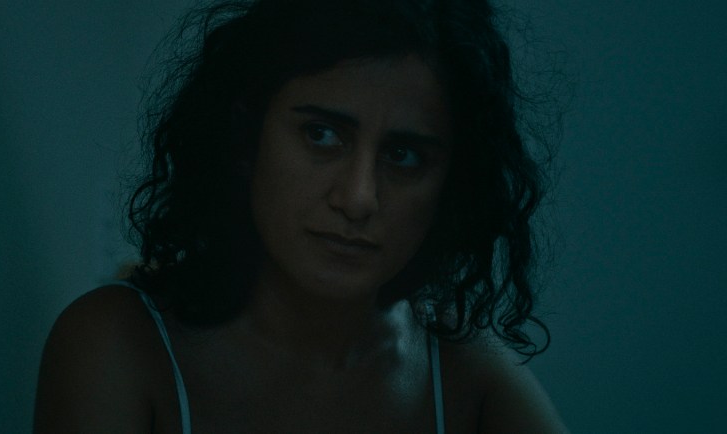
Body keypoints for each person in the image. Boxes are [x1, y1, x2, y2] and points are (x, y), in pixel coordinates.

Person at [35, 0, 568, 432]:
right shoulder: (120, 345)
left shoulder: (465, 374)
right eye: (322, 135)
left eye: (403, 156)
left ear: (453, 183)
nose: (358, 198)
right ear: (245, 137)